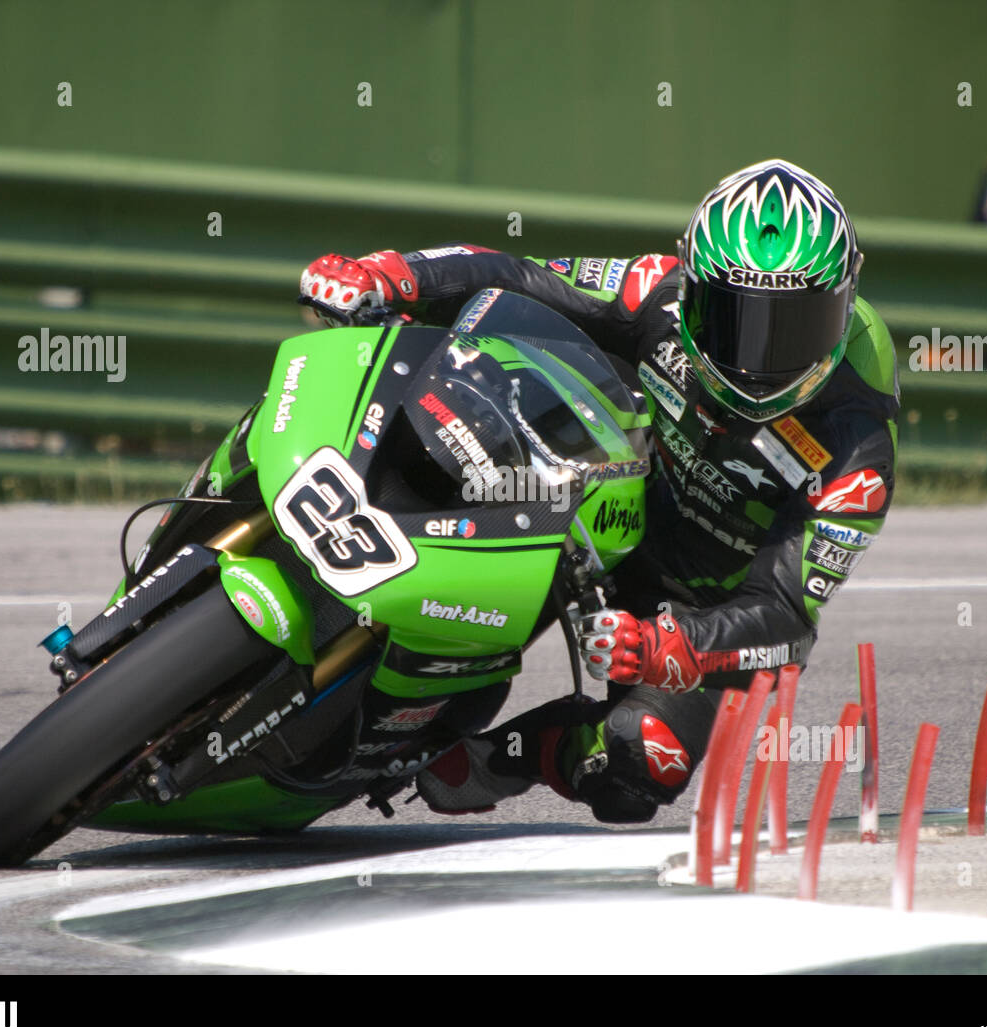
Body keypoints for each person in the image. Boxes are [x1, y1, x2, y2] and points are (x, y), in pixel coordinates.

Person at [299, 159, 898, 823]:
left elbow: (785, 616)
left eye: (792, 329)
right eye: (735, 322)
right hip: (591, 501)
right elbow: (522, 274)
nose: (757, 362)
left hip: (691, 608)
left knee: (641, 766)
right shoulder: (657, 292)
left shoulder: (857, 450)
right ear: (689, 279)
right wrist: (396, 274)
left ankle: (510, 755)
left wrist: (669, 643)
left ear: (845, 300)